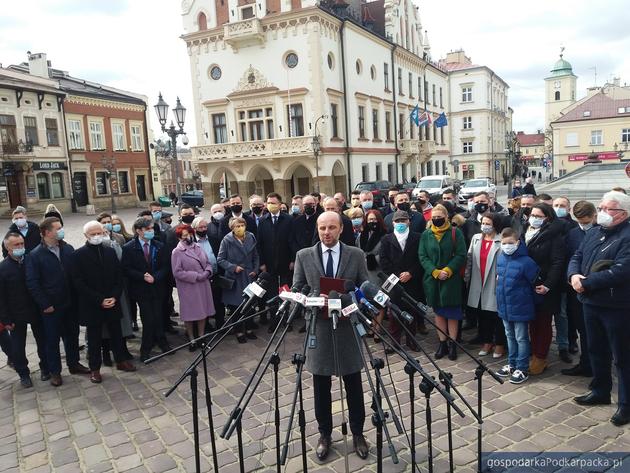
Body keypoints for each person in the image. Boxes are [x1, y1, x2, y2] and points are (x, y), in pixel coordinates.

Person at [292, 211, 370, 461]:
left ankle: (358, 432)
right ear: (317, 229)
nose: (327, 232)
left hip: (347, 327)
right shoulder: (304, 256)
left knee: (354, 383)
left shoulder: (356, 255)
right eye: (322, 228)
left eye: (332, 227)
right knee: (320, 385)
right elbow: (297, 290)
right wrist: (313, 299)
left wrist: (345, 298)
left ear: (340, 229)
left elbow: (364, 289)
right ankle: (324, 433)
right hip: (319, 328)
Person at [568, 191, 630, 426]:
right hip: (590, 303)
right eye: (601, 207)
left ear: (622, 213)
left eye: (607, 209)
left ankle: (626, 404)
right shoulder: (594, 231)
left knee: (623, 357)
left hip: (617, 306)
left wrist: (586, 283)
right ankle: (600, 389)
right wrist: (573, 275)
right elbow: (577, 255)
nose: (602, 212)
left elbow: (621, 271)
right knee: (595, 349)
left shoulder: (627, 236)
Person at [25, 217, 89, 386]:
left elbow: (76, 274)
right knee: (51, 340)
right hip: (51, 307)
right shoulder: (35, 255)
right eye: (58, 228)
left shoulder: (68, 249)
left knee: (72, 336)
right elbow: (32, 283)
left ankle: (74, 363)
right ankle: (55, 372)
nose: (61, 230)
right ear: (47, 232)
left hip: (70, 303)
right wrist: (44, 304)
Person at [72, 221, 136, 383]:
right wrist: (100, 299)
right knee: (94, 339)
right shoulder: (78, 255)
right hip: (93, 304)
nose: (96, 236)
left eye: (99, 233)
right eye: (92, 234)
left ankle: (121, 360)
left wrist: (114, 296)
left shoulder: (109, 251)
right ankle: (95, 369)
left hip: (112, 301)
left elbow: (118, 277)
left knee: (117, 334)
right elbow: (78, 282)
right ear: (86, 236)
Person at [419, 204, 467, 360]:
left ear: (446, 217)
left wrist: (448, 270)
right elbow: (422, 256)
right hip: (433, 280)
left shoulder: (455, 232)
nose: (437, 220)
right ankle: (442, 343)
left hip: (451, 280)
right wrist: (434, 271)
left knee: (452, 313)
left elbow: (461, 254)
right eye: (434, 218)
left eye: (440, 217)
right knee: (438, 313)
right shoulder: (426, 235)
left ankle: (453, 344)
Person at [0, 233, 47, 388]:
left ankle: (45, 368)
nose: (20, 247)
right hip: (16, 315)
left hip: (36, 310)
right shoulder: (3, 268)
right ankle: (23, 373)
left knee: (43, 342)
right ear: (8, 248)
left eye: (22, 244)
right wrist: (6, 319)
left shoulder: (31, 261)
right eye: (16, 245)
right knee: (18, 347)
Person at [122, 218, 172, 362]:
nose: (151, 231)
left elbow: (165, 266)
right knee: (148, 319)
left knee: (158, 316)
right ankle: (146, 348)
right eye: (148, 229)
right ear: (138, 231)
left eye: (152, 229)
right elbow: (126, 268)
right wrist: (142, 276)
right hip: (141, 289)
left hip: (157, 287)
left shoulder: (159, 246)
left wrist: (155, 277)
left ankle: (162, 342)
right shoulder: (129, 247)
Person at [523, 203, 565, 375]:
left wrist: (548, 284)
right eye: (532, 215)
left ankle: (541, 357)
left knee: (543, 322)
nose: (534, 218)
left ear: (547, 218)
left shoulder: (554, 235)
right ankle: (534, 351)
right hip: (527, 284)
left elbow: (558, 262)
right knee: (532, 320)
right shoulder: (525, 230)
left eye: (538, 216)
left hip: (544, 284)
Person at [495, 227, 539, 384]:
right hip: (504, 305)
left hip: (520, 305)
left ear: (517, 242)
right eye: (504, 243)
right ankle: (512, 363)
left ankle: (522, 366)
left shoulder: (526, 262)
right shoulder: (500, 258)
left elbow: (535, 283)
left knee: (521, 337)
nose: (507, 246)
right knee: (509, 336)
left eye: (510, 243)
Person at [379, 210, 427, 351]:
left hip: (412, 281)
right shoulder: (386, 239)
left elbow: (421, 259)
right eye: (398, 221)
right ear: (393, 223)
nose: (400, 223)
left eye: (403, 221)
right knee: (394, 312)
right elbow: (384, 261)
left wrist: (411, 273)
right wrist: (398, 274)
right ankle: (394, 341)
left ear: (408, 222)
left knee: (411, 310)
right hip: (394, 281)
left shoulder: (418, 238)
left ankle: (411, 340)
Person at [562, 201, 597, 377]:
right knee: (582, 328)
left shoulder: (600, 231)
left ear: (594, 216)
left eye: (586, 221)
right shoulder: (573, 234)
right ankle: (586, 363)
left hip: (596, 289)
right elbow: (569, 258)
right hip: (575, 289)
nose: (583, 225)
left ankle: (595, 365)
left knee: (596, 331)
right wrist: (570, 277)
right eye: (580, 222)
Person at [465, 213, 506, 358]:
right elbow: (469, 259)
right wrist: (467, 278)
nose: (485, 226)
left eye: (488, 223)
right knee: (482, 314)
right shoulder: (476, 239)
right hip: (478, 281)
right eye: (483, 223)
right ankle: (487, 342)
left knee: (496, 315)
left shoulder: (501, 240)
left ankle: (500, 344)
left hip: (494, 281)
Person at [96, 213, 134, 362]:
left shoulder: (118, 238)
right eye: (104, 222)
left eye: (109, 222)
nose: (107, 225)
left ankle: (122, 348)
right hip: (103, 288)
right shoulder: (97, 239)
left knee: (123, 318)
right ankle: (106, 351)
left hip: (119, 286)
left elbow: (122, 260)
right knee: (105, 323)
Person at [171, 224, 215, 350]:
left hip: (203, 285)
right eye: (184, 235)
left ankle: (201, 337)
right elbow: (177, 272)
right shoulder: (177, 252)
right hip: (189, 287)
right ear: (179, 237)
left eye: (189, 234)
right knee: (190, 315)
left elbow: (207, 263)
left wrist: (207, 272)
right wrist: (196, 276)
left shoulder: (199, 247)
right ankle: (192, 339)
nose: (187, 237)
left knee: (202, 313)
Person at [217, 216, 259, 343]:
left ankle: (249, 329)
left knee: (250, 303)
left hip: (249, 275)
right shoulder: (226, 240)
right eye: (237, 226)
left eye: (242, 225)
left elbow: (255, 255)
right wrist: (233, 267)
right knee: (237, 306)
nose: (240, 228)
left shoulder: (251, 236)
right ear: (232, 228)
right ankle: (239, 331)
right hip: (236, 277)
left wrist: (255, 270)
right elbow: (220, 259)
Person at [257, 192, 294, 328]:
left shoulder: (288, 219)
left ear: (280, 204)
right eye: (269, 203)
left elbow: (292, 241)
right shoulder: (262, 221)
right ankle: (274, 321)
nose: (271, 205)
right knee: (271, 294)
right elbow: (259, 244)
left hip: (285, 263)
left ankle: (285, 320)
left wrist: (292, 260)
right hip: (269, 264)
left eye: (274, 203)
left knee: (285, 293)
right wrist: (262, 263)